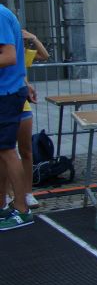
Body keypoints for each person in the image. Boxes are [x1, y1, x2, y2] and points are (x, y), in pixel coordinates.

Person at [0, 29, 49, 209]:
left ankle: (26, 195)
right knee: (6, 152)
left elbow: (44, 55)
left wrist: (33, 38)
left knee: (24, 150)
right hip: (10, 99)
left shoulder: (18, 53)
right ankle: (7, 195)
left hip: (18, 104)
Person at [0, 5, 32, 231]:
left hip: (6, 93)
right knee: (2, 151)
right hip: (8, 90)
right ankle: (4, 205)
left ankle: (22, 208)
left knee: (7, 151)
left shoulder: (0, 16)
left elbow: (9, 56)